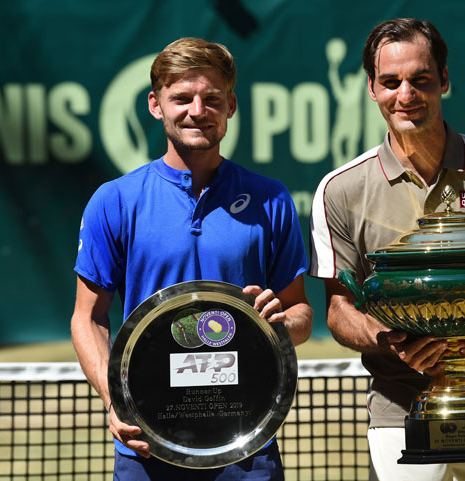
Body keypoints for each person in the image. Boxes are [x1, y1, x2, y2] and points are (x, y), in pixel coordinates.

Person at [309, 18, 465, 481]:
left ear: (443, 81)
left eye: (421, 79)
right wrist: (391, 341)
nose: (405, 94)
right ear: (371, 88)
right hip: (398, 414)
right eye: (391, 82)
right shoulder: (339, 190)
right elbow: (339, 309)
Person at [71, 37, 313, 480]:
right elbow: (87, 318)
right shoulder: (115, 200)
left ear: (231, 106)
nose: (197, 110)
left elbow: (300, 315)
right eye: (181, 97)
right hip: (147, 443)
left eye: (211, 99)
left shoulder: (272, 199)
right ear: (155, 104)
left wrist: (279, 324)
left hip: (246, 439)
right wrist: (116, 401)